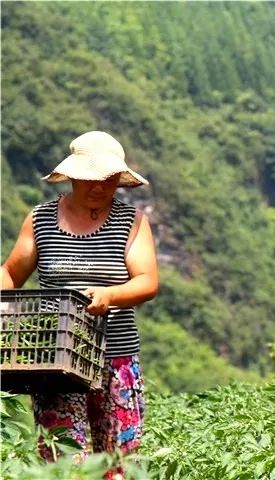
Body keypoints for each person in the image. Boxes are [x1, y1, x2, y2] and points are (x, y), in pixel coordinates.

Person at [1, 131, 159, 464]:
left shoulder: (132, 222)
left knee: (119, 463)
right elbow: (10, 274)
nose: (99, 187)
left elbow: (147, 281)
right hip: (54, 359)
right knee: (64, 462)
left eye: (109, 179)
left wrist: (110, 294)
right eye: (90, 179)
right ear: (72, 176)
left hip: (115, 360)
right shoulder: (41, 219)